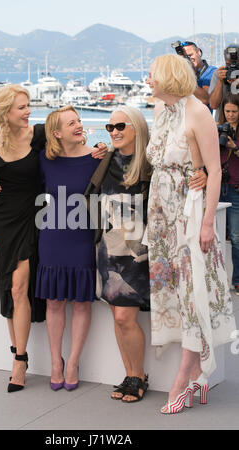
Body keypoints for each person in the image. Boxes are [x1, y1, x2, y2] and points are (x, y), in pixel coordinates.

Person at [84, 106, 207, 403]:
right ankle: (130, 374)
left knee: (126, 315)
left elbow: (182, 175)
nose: (113, 131)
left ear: (137, 128)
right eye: (110, 126)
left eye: (120, 126)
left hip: (138, 252)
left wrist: (202, 174)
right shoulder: (106, 159)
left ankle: (138, 375)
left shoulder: (152, 164)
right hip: (108, 248)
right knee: (118, 316)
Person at [146, 54, 236, 414]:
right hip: (162, 214)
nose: (147, 80)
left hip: (189, 211)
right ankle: (198, 372)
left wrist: (207, 223)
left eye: (152, 75)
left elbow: (214, 171)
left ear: (167, 77)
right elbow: (156, 158)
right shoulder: (158, 109)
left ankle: (184, 378)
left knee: (192, 292)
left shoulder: (197, 112)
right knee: (173, 290)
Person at [0, 84, 46, 393]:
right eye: (21, 107)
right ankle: (17, 352)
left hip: (34, 217)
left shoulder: (39, 135)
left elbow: (70, 147)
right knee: (9, 287)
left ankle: (20, 360)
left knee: (19, 287)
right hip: (2, 220)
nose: (28, 111)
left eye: (28, 105)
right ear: (5, 112)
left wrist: (97, 150)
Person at [35, 106, 102, 391]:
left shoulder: (99, 157)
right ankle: (55, 362)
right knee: (54, 301)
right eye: (70, 123)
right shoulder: (44, 160)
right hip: (52, 236)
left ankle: (73, 361)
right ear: (57, 133)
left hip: (84, 237)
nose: (78, 125)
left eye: (78, 120)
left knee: (81, 301)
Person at [218, 93, 239, 295]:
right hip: (219, 186)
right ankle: (215, 280)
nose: (231, 116)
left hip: (235, 188)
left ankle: (237, 280)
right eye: (227, 112)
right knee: (213, 234)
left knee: (236, 236)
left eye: (234, 111)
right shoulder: (218, 129)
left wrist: (235, 147)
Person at [181, 41, 216, 109]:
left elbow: (205, 100)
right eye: (185, 57)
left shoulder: (212, 72)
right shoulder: (182, 74)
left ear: (198, 52)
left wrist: (187, 78)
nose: (188, 59)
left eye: (190, 55)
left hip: (204, 118)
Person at [209, 44, 239, 121]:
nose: (232, 67)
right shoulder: (219, 73)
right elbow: (213, 105)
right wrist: (220, 81)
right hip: (222, 122)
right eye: (228, 64)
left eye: (235, 64)